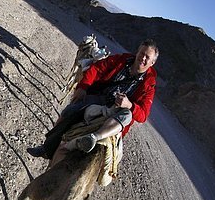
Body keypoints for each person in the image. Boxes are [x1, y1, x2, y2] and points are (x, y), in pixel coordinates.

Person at [28, 39, 159, 159]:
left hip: (117, 113)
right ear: (137, 52)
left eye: (147, 57)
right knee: (69, 111)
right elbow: (97, 68)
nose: (143, 58)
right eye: (142, 53)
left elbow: (143, 115)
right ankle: (47, 148)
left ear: (152, 63)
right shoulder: (121, 60)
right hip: (99, 98)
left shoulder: (149, 85)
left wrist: (129, 105)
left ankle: (93, 138)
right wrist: (83, 87)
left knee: (125, 120)